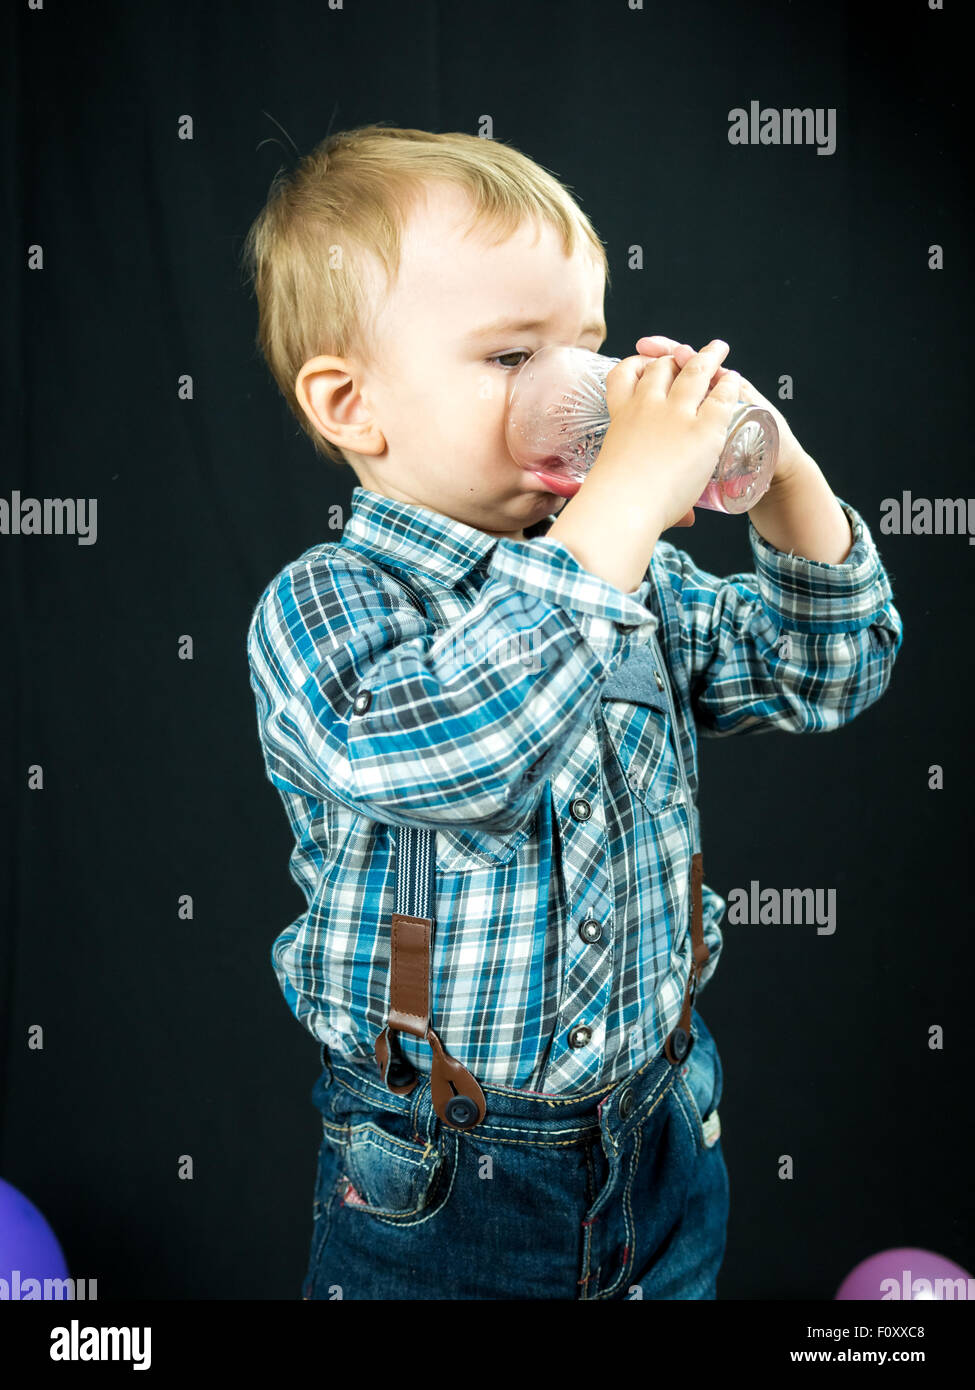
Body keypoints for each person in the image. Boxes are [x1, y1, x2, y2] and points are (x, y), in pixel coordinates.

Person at [242, 124, 903, 1300]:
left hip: (662, 1127)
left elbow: (826, 668)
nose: (579, 390)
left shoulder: (634, 574)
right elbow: (458, 757)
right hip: (444, 1169)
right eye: (510, 357)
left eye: (585, 348)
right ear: (353, 405)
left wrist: (785, 474)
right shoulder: (326, 606)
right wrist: (620, 518)